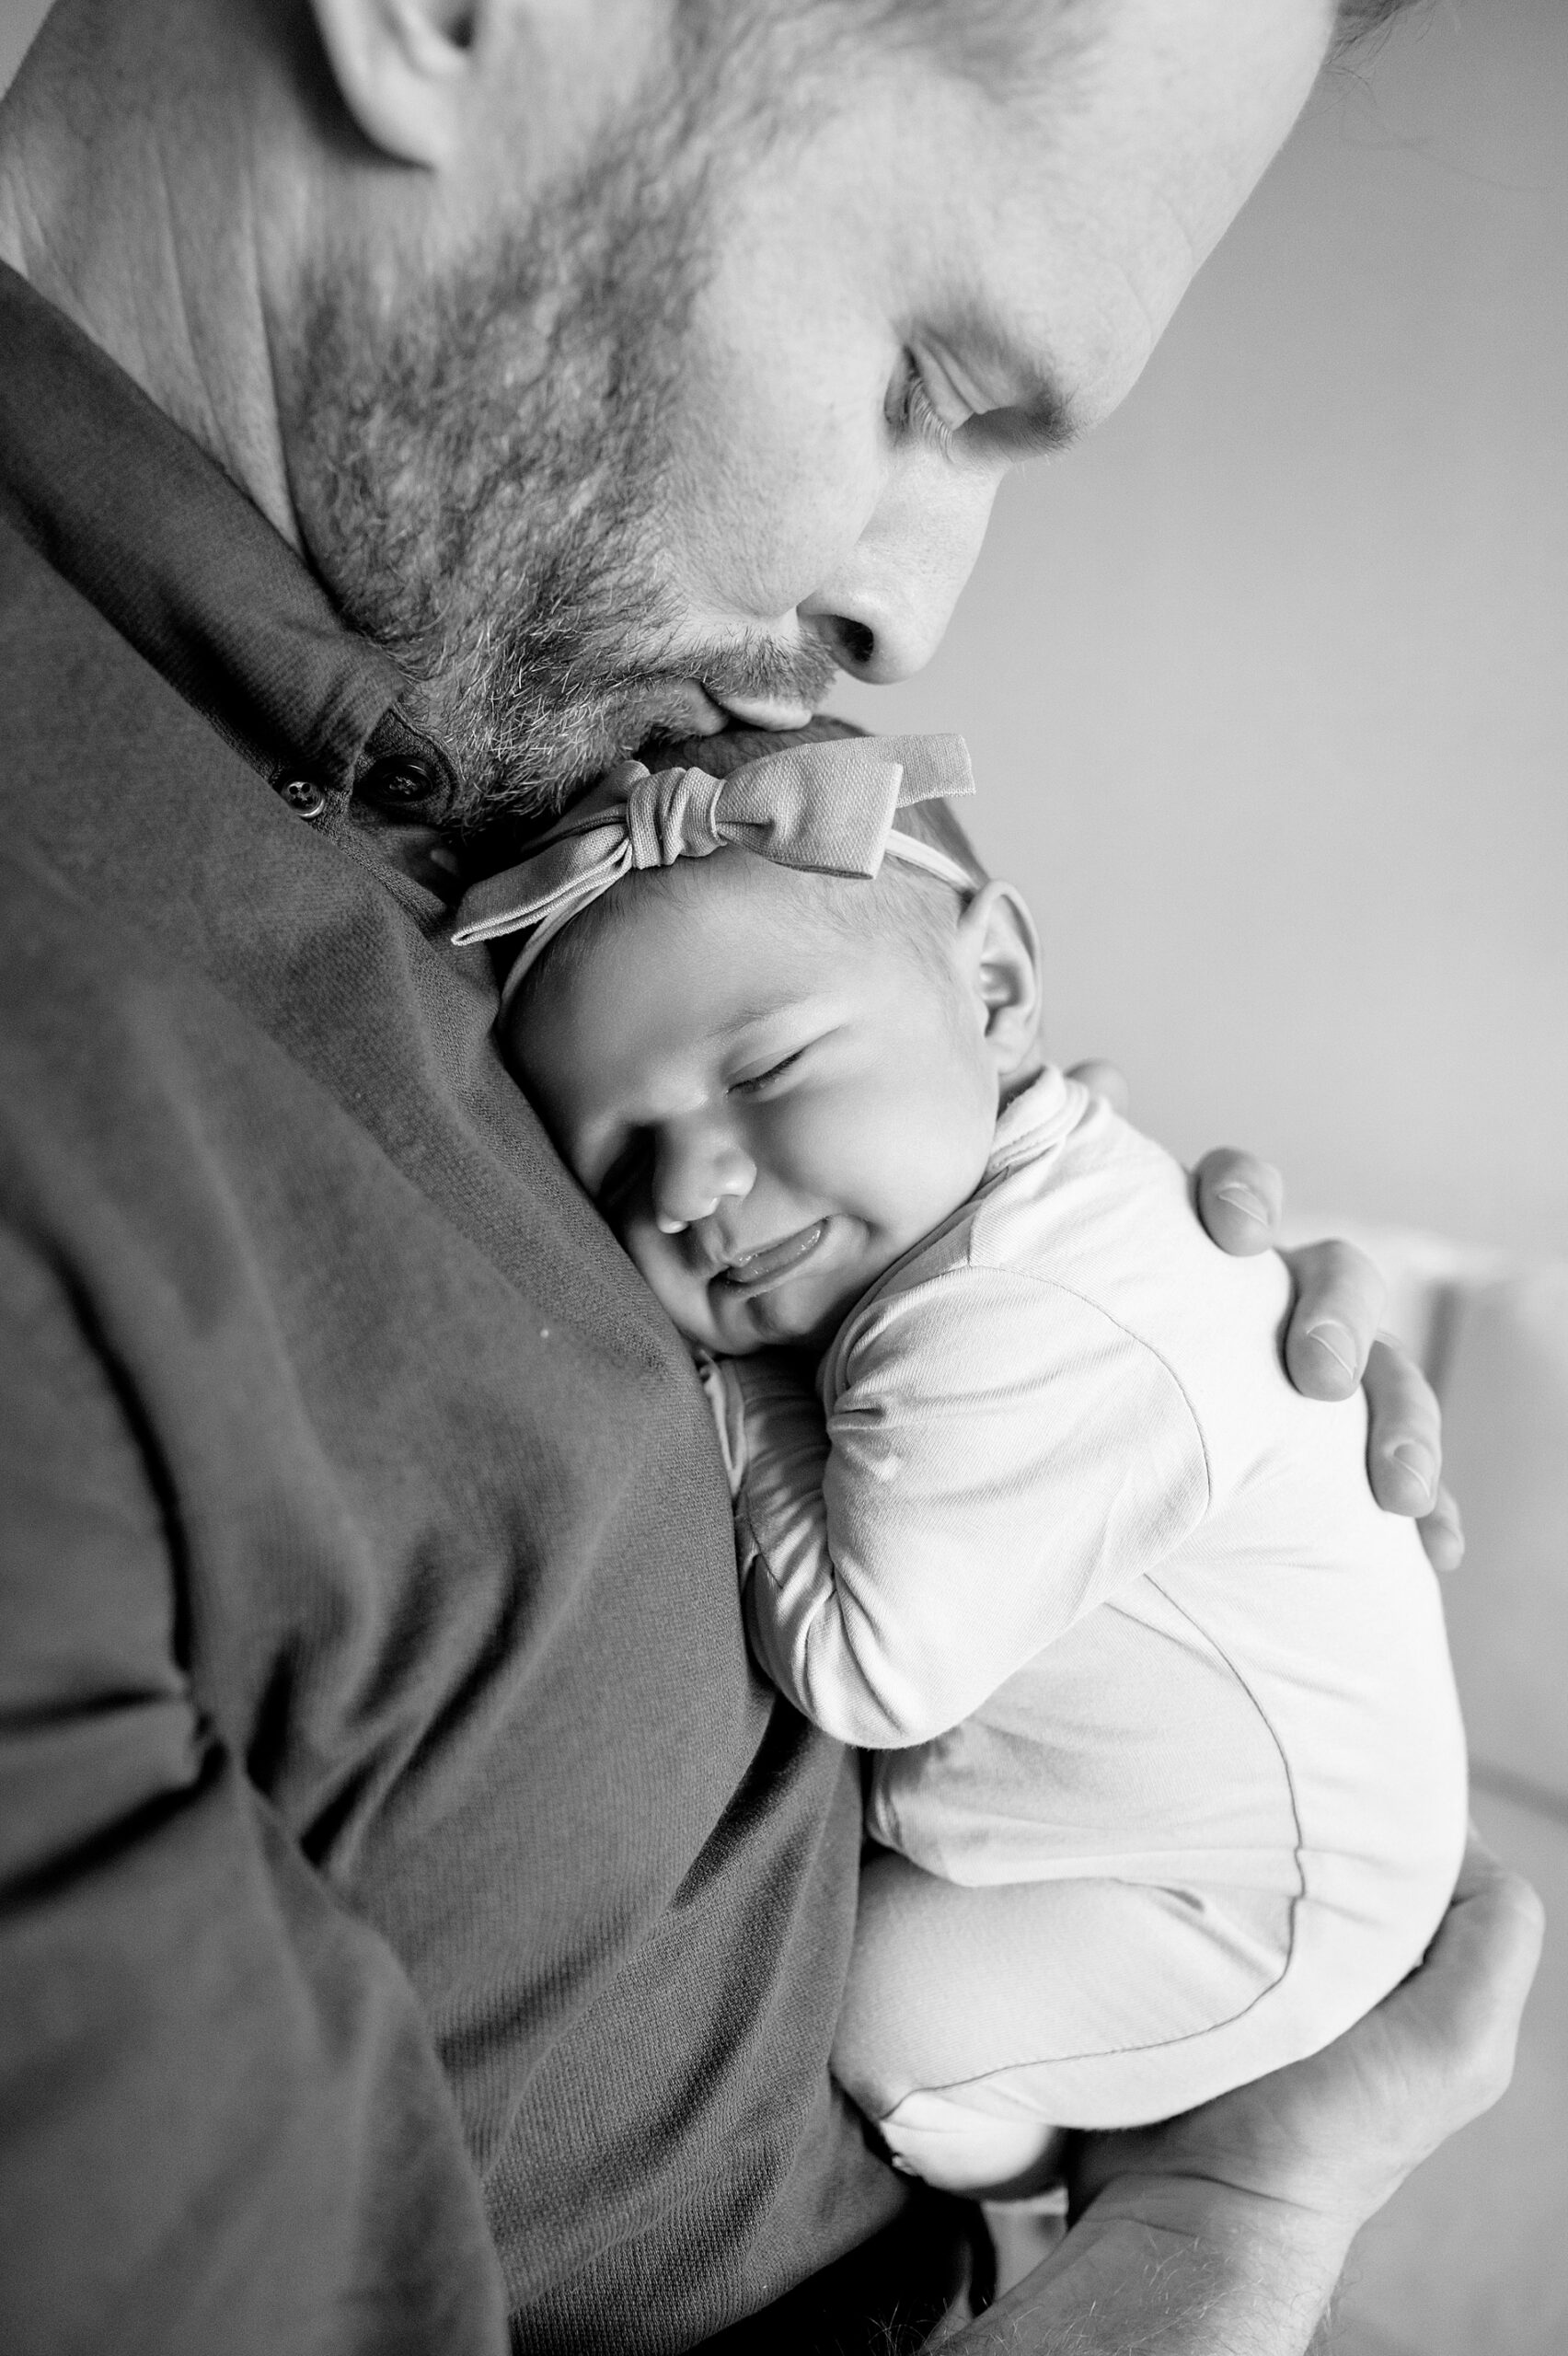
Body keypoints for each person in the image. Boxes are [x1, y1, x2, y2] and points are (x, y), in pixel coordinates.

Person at [0, 3, 1539, 2352]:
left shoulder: (451, 752)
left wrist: (1127, 1408)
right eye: (934, 377)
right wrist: (1209, 2266)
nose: (908, 619)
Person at [484, 720, 1471, 2207]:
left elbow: (870, 1668)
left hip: (1250, 1906)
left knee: (890, 2021)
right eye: (624, 1165)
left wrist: (731, 1376)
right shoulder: (984, 1211)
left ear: (996, 988)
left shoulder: (1005, 1302)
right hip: (1202, 1832)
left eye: (770, 1065)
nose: (689, 1190)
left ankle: (1064, 2175)